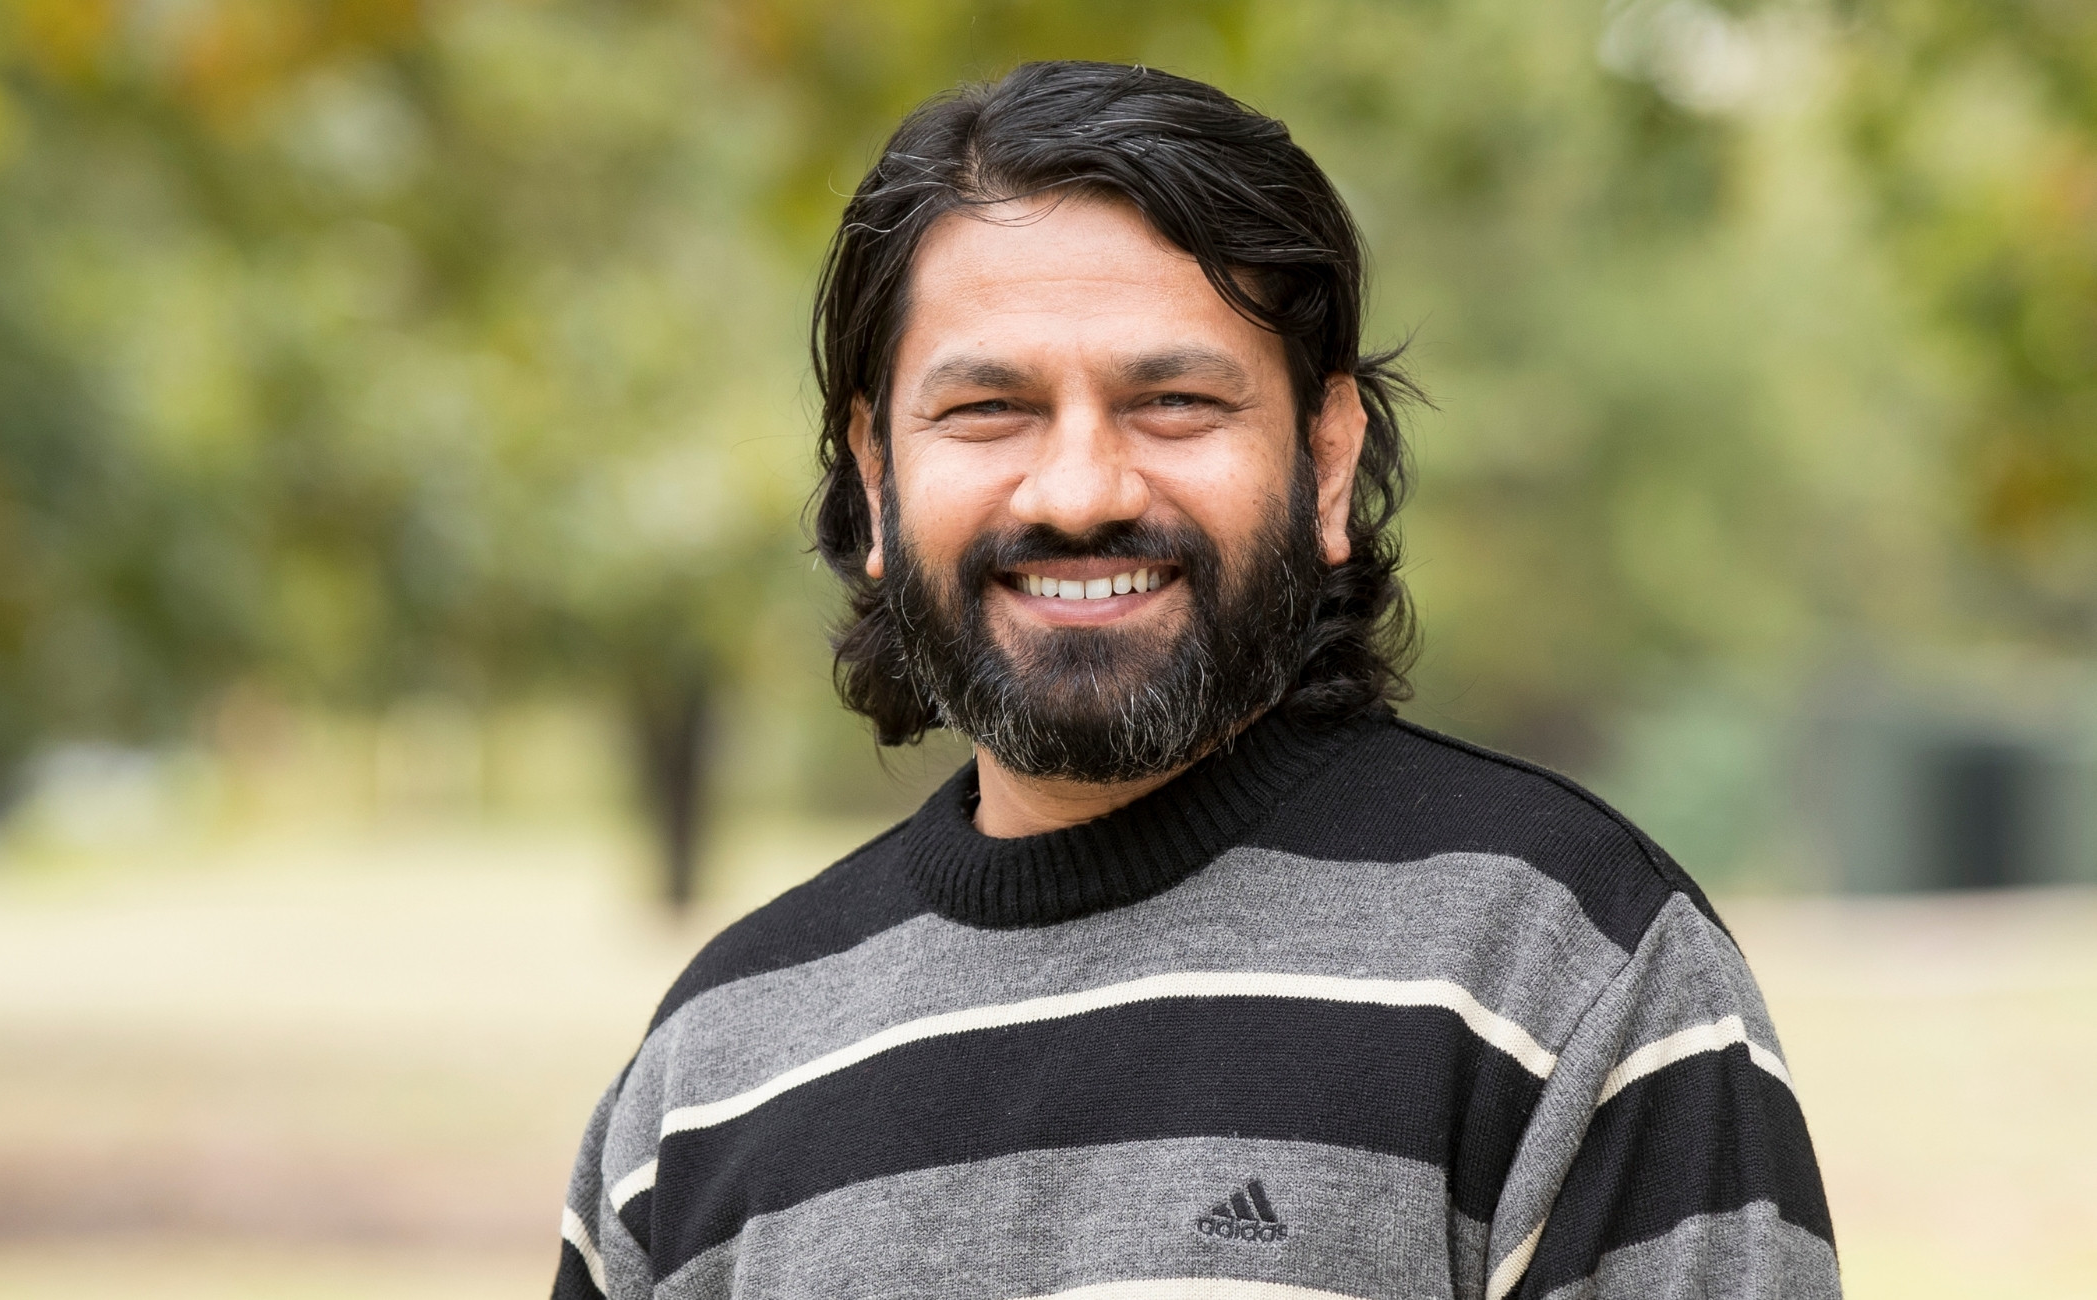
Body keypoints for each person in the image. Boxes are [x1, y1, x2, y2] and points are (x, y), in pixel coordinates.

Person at [553, 61, 1835, 1300]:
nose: (1078, 492)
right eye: (988, 407)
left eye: (1170, 400)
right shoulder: (707, 1071)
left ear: (1326, 461)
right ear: (878, 477)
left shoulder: (1566, 967)